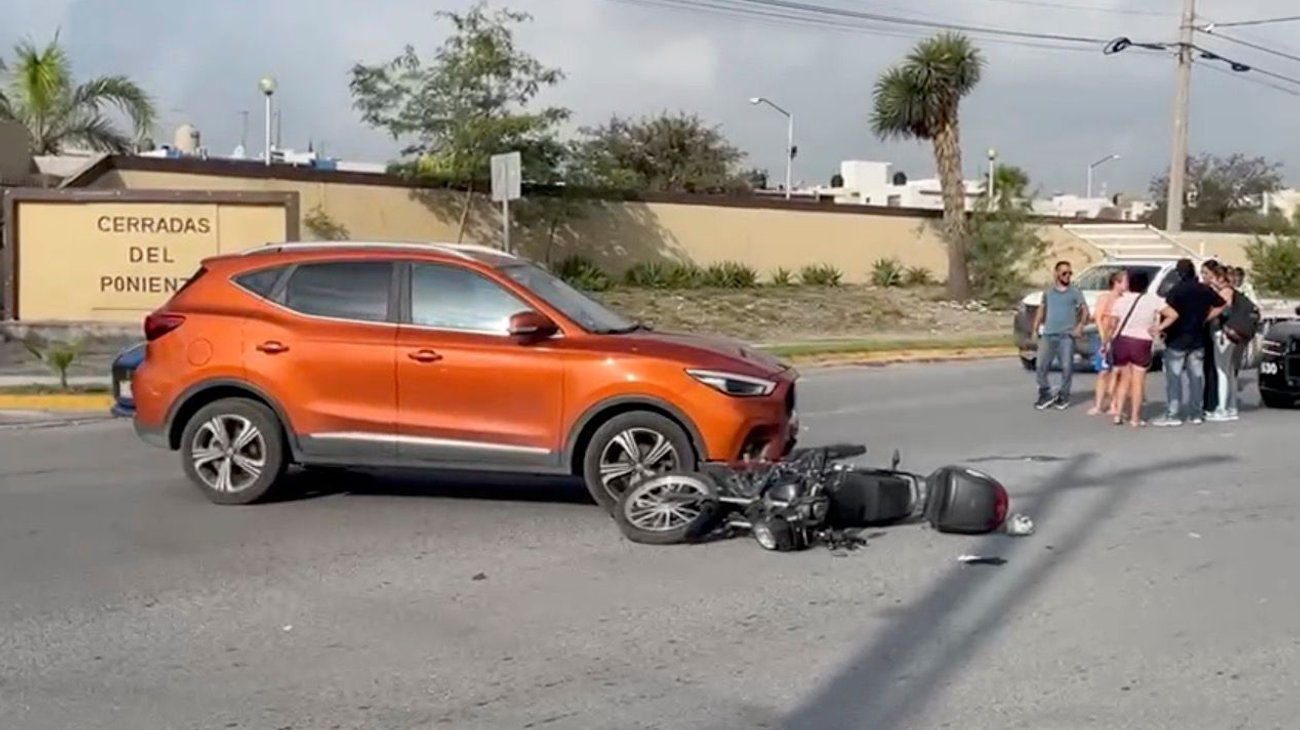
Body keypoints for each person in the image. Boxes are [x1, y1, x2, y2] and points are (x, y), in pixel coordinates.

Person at [1151, 258, 1226, 427]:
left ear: (1179, 273)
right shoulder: (1203, 289)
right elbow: (1221, 303)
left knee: (1174, 378)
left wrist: (1162, 331)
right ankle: (1196, 413)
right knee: (1196, 378)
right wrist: (1206, 317)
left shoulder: (1175, 291)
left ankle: (1173, 414)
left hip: (1177, 339)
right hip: (1197, 338)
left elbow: (1167, 314)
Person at [1105, 269, 1167, 427]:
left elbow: (1112, 324)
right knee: (1138, 382)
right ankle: (1135, 418)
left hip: (1122, 340)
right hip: (1142, 341)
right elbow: (1173, 314)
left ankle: (1118, 414)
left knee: (1124, 379)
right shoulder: (1153, 300)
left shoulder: (1121, 300)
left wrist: (1106, 342)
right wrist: (1158, 327)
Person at [1031, 260, 1088, 410]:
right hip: (1049, 335)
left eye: (1070, 273)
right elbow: (1041, 310)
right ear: (1056, 274)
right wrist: (1035, 329)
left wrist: (1080, 326)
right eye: (1064, 273)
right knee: (1040, 365)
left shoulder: (1075, 292)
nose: (1067, 276)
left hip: (1066, 336)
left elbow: (1085, 310)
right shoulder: (1048, 292)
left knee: (1066, 367)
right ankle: (1045, 393)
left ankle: (1063, 396)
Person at [1088, 269, 1128, 416]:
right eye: (1125, 281)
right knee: (1103, 372)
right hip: (1103, 338)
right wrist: (1104, 338)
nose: (1127, 284)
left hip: (1119, 338)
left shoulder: (1125, 299)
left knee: (1117, 372)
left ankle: (1114, 405)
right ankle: (1098, 405)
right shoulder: (1105, 297)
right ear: (1116, 282)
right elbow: (1098, 317)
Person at [1204, 262, 1241, 422]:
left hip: (1222, 334)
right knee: (1230, 371)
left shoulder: (1225, 293)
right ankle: (1231, 406)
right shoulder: (1232, 291)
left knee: (1222, 371)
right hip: (1231, 334)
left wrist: (1203, 318)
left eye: (1213, 277)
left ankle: (1222, 408)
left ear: (1220, 277)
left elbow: (1220, 311)